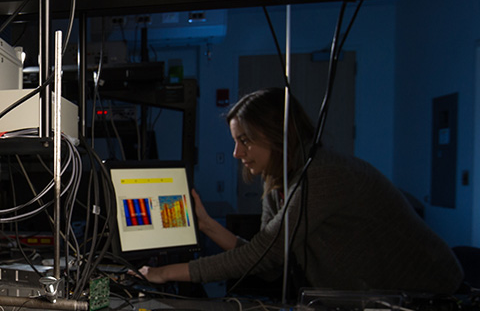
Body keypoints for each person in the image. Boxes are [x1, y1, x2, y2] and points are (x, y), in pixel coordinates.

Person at [133, 88, 463, 294]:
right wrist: (205, 224)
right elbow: (269, 260)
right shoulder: (278, 180)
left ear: (279, 136)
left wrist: (164, 273)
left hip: (431, 297)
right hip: (376, 299)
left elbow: (262, 254)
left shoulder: (321, 176)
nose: (236, 153)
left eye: (244, 140)